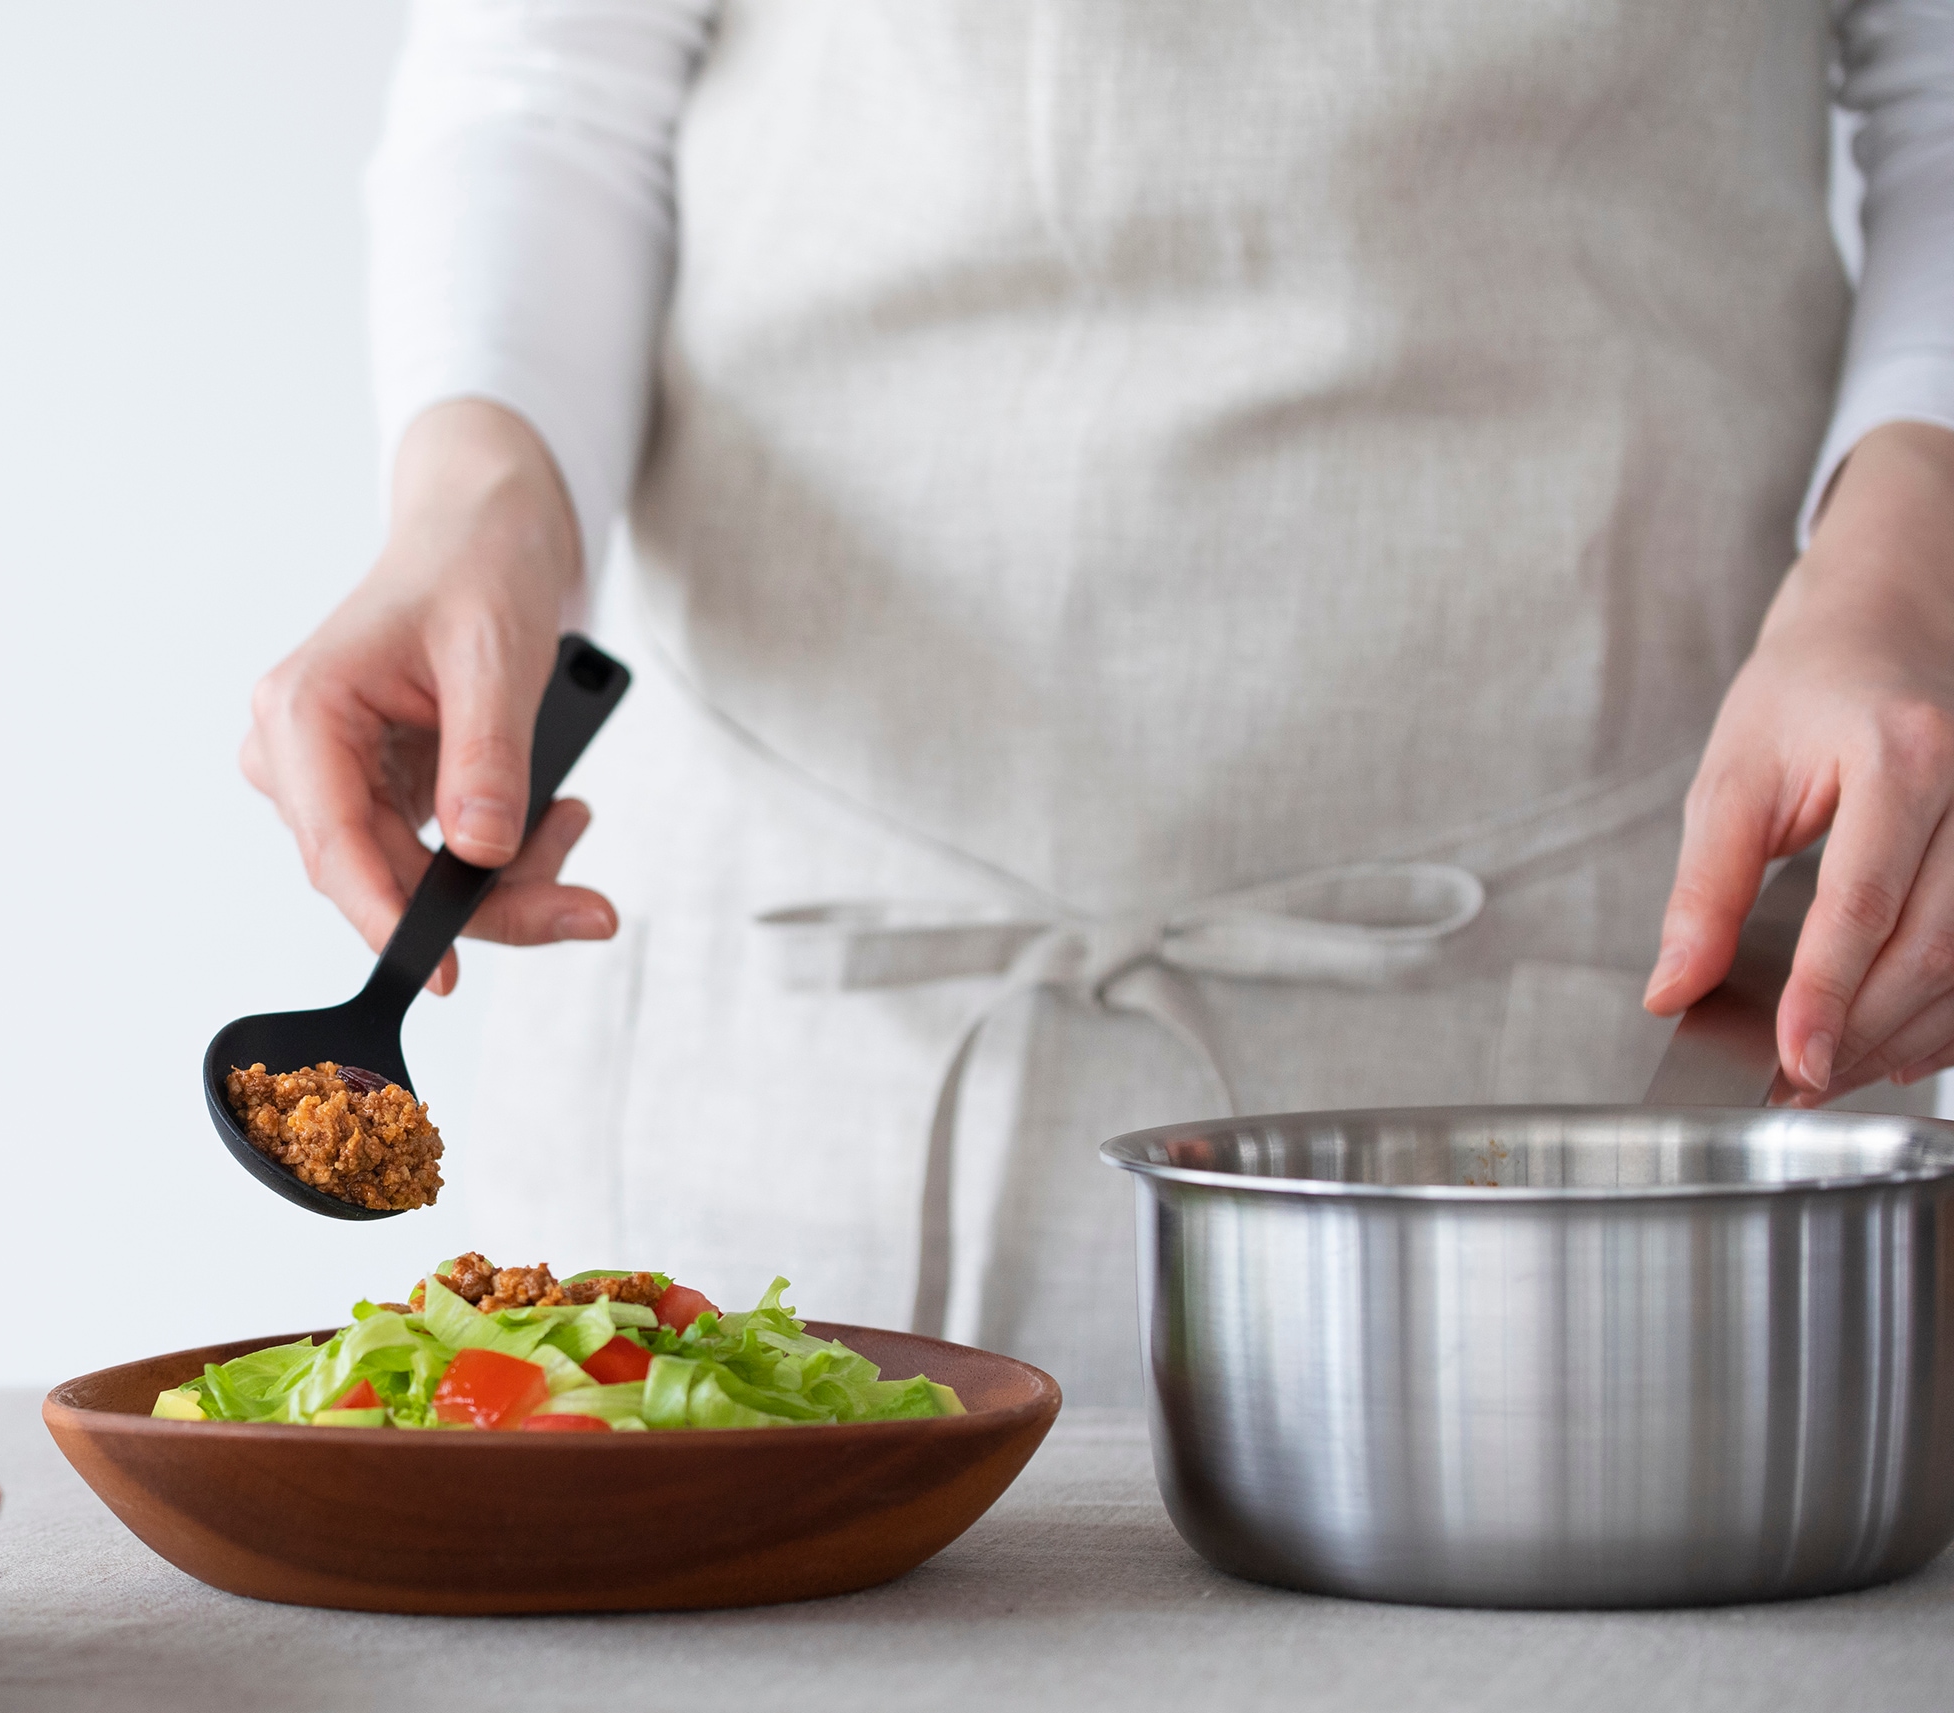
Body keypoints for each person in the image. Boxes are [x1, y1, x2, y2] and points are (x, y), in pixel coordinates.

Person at [240, 1, 1954, 1403]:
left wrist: (1908, 570)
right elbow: (553, 69)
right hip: (775, 994)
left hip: (1570, 1005)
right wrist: (481, 501)